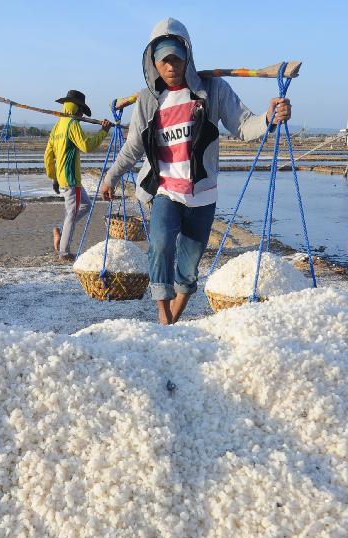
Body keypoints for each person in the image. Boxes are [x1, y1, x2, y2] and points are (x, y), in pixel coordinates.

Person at [101, 18, 291, 324]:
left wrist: (269, 116)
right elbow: (133, 146)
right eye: (164, 61)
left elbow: (243, 125)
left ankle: (173, 320)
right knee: (161, 244)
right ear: (153, 64)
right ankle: (163, 316)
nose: (171, 66)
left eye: (176, 58)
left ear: (187, 57)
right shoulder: (149, 100)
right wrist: (110, 176)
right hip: (165, 190)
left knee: (189, 264)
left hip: (202, 195)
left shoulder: (212, 90)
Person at [44, 90, 112, 261]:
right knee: (72, 213)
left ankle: (61, 229)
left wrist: (53, 176)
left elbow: (48, 154)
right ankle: (64, 252)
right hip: (70, 178)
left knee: (85, 206)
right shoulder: (72, 124)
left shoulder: (58, 126)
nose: (82, 114)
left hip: (63, 177)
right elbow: (87, 146)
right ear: (75, 108)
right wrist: (104, 131)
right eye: (80, 109)